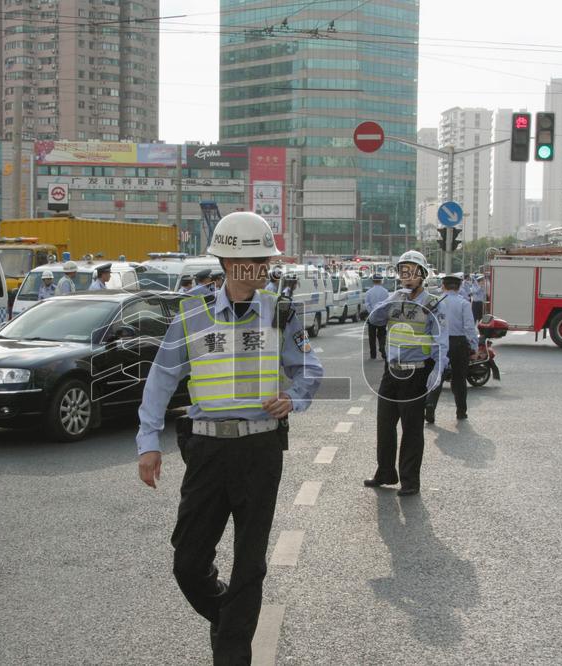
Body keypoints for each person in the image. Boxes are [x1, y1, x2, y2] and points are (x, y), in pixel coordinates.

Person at [136, 211, 322, 664]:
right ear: (225, 261)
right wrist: (148, 443)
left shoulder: (281, 313)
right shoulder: (192, 315)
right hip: (206, 449)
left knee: (250, 563)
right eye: (251, 259)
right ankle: (227, 615)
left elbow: (310, 371)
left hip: (260, 450)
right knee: (188, 561)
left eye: (264, 259)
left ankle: (233, 650)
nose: (260, 267)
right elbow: (160, 380)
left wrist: (293, 399)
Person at [364, 251, 448, 497]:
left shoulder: (432, 304)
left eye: (412, 271)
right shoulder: (395, 298)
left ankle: (410, 481)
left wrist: (438, 371)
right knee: (385, 424)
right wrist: (391, 300)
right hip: (392, 372)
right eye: (403, 271)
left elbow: (440, 342)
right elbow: (375, 320)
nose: (406, 275)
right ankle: (385, 472)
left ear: (422, 275)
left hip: (416, 374)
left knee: (411, 428)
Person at [425, 272, 479, 423]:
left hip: (439, 342)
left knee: (437, 376)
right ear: (460, 287)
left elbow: (427, 324)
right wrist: (474, 346)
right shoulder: (464, 303)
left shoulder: (435, 302)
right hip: (458, 343)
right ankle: (461, 412)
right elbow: (469, 327)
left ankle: (430, 405)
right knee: (459, 379)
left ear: (443, 286)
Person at [364, 273, 390, 360]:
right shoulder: (385, 292)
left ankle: (373, 355)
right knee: (382, 335)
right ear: (381, 281)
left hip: (372, 318)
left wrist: (372, 312)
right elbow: (387, 305)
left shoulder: (369, 292)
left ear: (373, 281)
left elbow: (367, 305)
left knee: (372, 337)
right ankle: (382, 348)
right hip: (383, 318)